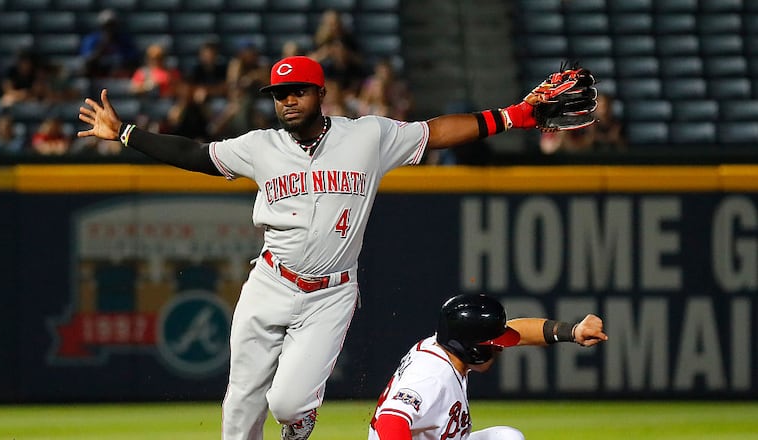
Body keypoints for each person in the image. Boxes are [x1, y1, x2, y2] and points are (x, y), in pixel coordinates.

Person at [77, 55, 574, 440]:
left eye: (297, 90)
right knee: (240, 402)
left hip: (329, 294)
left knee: (289, 405)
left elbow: (437, 131)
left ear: (320, 92)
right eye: (279, 93)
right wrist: (124, 133)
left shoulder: (369, 136)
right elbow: (197, 154)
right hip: (269, 281)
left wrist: (515, 115)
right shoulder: (259, 145)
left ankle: (297, 428)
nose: (287, 100)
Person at [369, 293, 607, 440]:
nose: (500, 348)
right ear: (472, 347)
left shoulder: (448, 345)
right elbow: (390, 420)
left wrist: (572, 332)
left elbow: (518, 332)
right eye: (494, 344)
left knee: (507, 438)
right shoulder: (432, 375)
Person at [78, 9, 139, 78]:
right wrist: (102, 47)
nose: (109, 29)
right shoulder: (92, 39)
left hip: (119, 75)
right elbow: (87, 60)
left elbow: (133, 58)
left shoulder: (124, 40)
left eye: (112, 26)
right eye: (106, 26)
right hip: (97, 75)